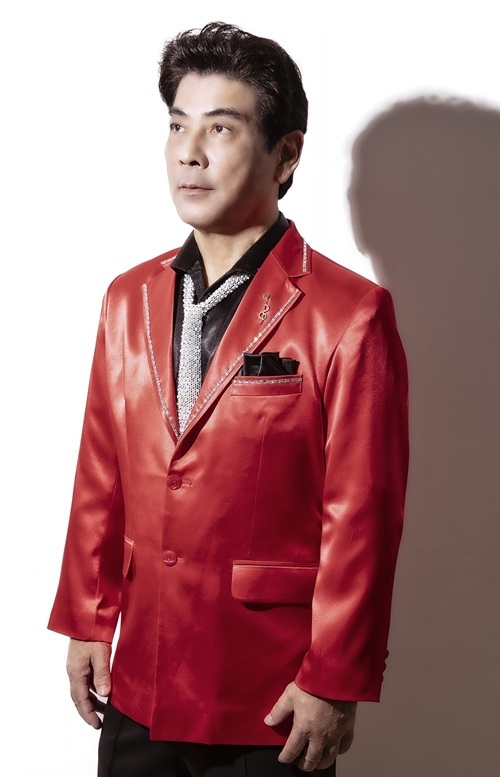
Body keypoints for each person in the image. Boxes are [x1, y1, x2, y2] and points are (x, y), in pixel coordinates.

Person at [48, 21, 409, 777]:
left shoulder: (350, 313)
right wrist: (88, 618)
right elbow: (101, 472)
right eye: (177, 125)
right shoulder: (128, 298)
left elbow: (362, 515)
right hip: (140, 682)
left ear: (286, 154)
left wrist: (333, 677)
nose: (189, 152)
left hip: (270, 699)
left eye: (220, 128)